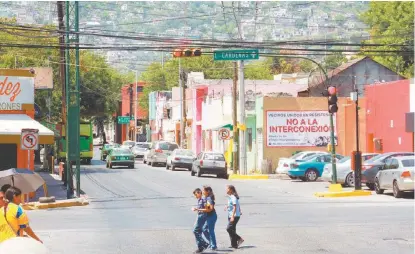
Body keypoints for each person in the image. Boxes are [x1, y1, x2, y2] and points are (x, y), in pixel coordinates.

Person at [198, 186, 217, 250]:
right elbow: (207, 208)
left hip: (212, 216)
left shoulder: (209, 198)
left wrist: (199, 209)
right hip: (208, 216)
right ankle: (211, 243)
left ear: (208, 191)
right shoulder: (206, 198)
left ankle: (213, 245)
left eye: (204, 191)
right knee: (204, 229)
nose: (203, 192)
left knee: (211, 231)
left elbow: (210, 209)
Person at [191, 188, 209, 253]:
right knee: (198, 232)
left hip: (202, 217)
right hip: (199, 216)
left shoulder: (203, 200)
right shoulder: (199, 200)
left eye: (196, 194)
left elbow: (206, 209)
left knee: (195, 231)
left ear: (199, 193)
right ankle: (200, 247)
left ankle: (204, 244)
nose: (195, 196)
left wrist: (197, 209)